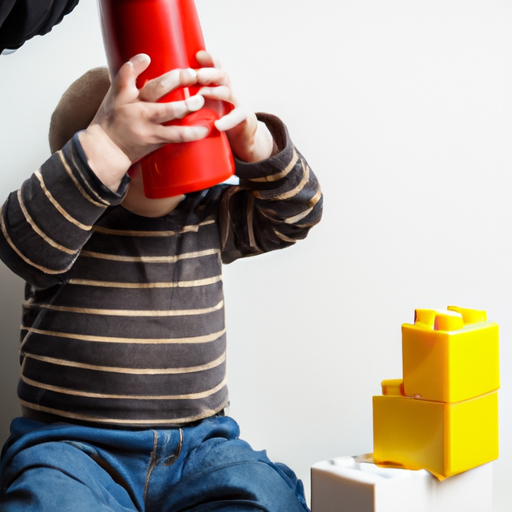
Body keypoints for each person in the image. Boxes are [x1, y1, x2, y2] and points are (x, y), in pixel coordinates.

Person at [0, 51, 323, 511]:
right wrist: (105, 148)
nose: (154, 162)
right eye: (135, 147)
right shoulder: (65, 220)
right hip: (73, 447)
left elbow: (297, 215)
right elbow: (20, 244)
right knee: (50, 500)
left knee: (263, 493)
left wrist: (256, 144)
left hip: (199, 447)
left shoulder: (205, 212)